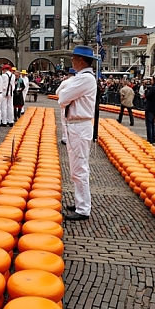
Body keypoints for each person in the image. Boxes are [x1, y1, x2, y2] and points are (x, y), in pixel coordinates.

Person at [57, 45, 96, 221]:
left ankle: (83, 208)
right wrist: (66, 91)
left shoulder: (85, 79)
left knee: (80, 168)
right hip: (75, 125)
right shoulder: (81, 78)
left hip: (80, 126)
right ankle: (81, 202)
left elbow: (63, 98)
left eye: (73, 58)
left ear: (80, 60)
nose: (71, 61)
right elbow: (61, 93)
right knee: (76, 168)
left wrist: (66, 91)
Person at [57, 68, 75, 145]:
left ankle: (65, 137)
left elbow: (57, 92)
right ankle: (72, 138)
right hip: (76, 106)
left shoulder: (65, 82)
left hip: (65, 105)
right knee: (74, 122)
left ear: (68, 74)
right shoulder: (79, 82)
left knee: (64, 121)